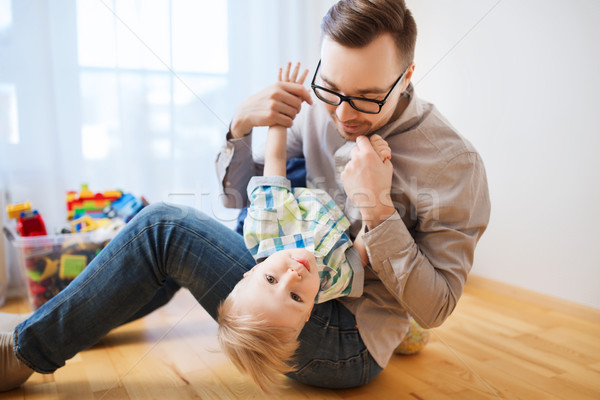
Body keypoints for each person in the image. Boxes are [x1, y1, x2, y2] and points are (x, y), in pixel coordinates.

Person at [0, 0, 490, 393]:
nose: (342, 114)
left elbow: (437, 308)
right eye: (330, 87)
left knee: (165, 228)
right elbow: (245, 204)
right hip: (288, 273)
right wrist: (238, 129)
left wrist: (379, 212)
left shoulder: (452, 166)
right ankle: (55, 321)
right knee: (215, 229)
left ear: (406, 78)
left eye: (366, 97)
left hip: (344, 339)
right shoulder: (324, 109)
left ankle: (22, 351)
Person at [217, 63, 403, 391]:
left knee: (293, 166)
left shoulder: (267, 229)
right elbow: (362, 248)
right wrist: (377, 183)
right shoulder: (330, 281)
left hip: (294, 195)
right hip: (333, 208)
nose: (294, 275)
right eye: (295, 297)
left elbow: (275, 164)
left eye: (271, 278)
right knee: (351, 169)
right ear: (307, 316)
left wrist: (280, 118)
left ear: (249, 273)